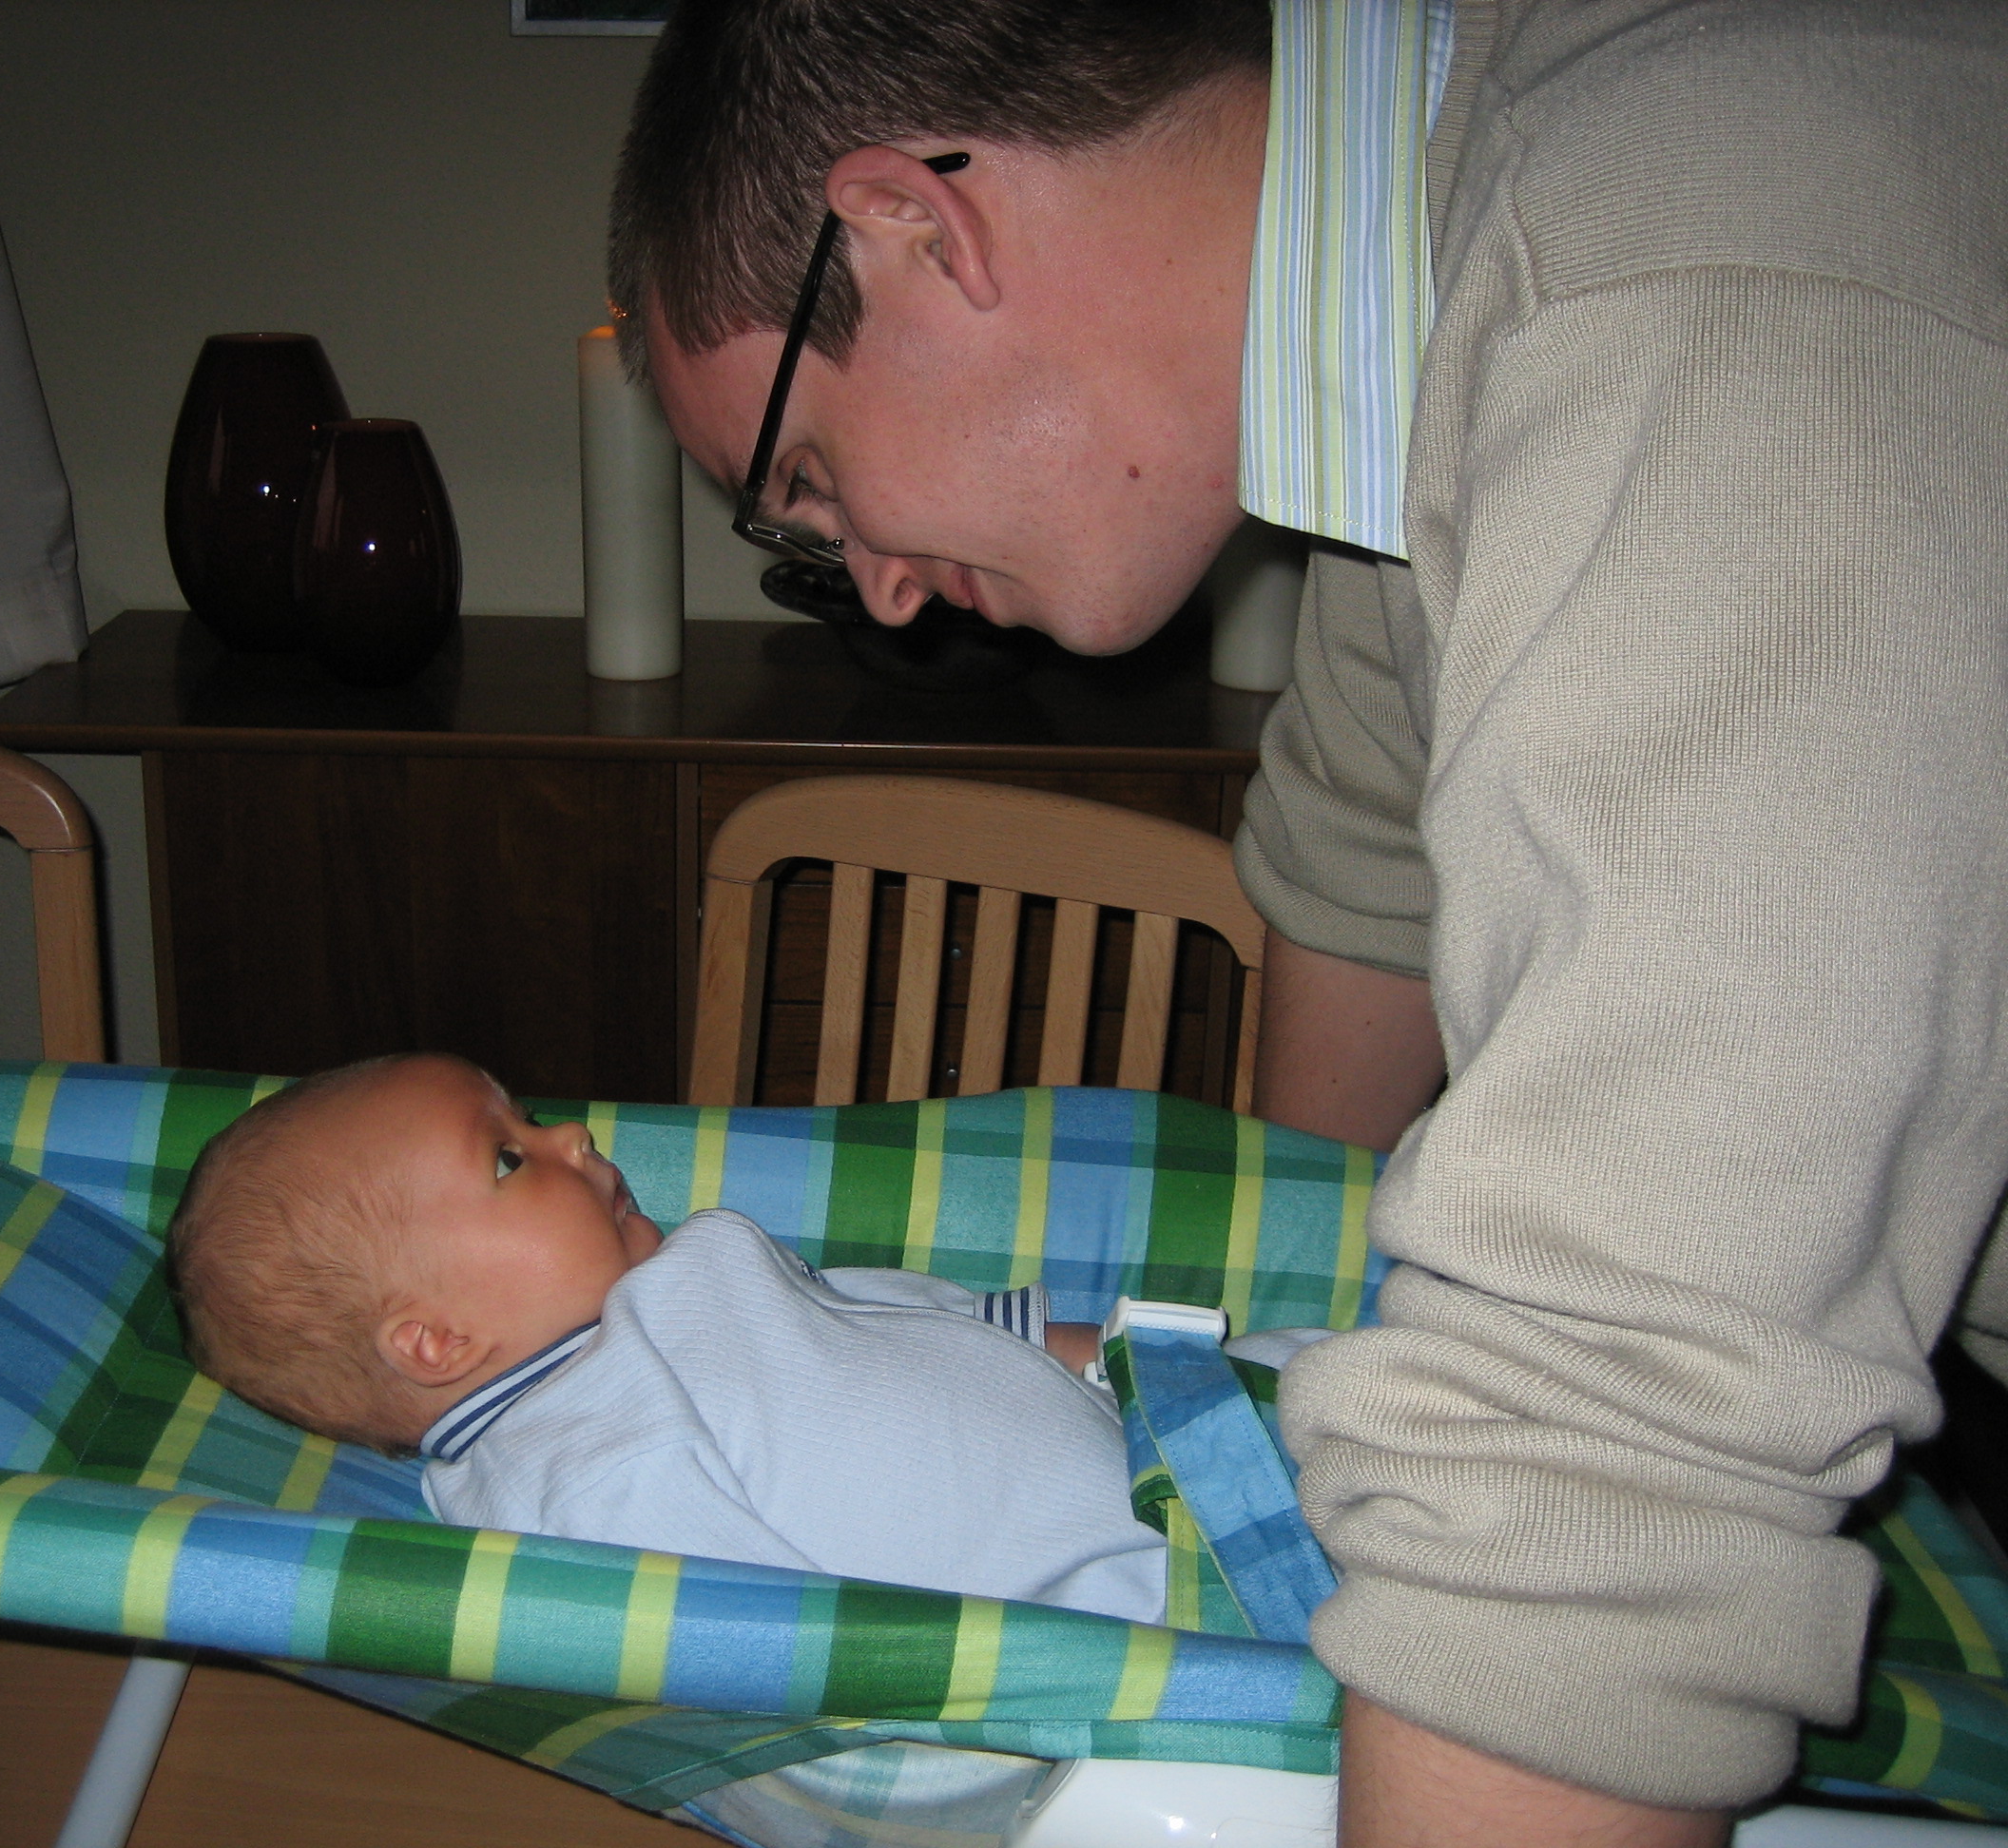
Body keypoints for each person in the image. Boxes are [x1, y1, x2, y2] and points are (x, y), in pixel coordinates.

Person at [605, 3, 2008, 1844]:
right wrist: (1239, 1382)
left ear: (914, 228)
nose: (868, 584)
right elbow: (1365, 847)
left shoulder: (1690, 268)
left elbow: (1608, 1459)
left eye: (804, 477)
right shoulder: (1408, 339)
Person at [164, 1052, 1172, 1622]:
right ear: (438, 1341)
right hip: (1140, 1595)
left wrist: (1107, 1354)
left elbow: (878, 1326)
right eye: (508, 1158)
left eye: (533, 1117)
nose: (572, 1138)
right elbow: (751, 1643)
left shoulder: (681, 1287)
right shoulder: (577, 1464)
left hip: (1164, 1421)